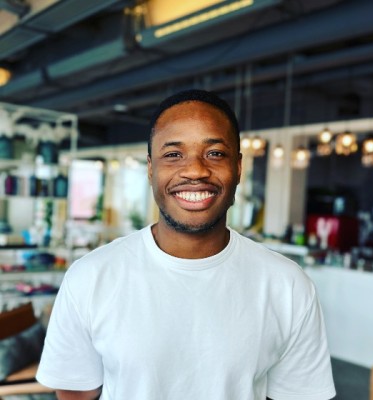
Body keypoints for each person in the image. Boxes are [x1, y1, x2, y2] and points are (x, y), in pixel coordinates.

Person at [37, 89, 336, 400]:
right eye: (173, 155)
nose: (195, 170)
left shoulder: (288, 285)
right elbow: (76, 393)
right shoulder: (90, 276)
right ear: (150, 169)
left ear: (238, 168)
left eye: (215, 153)